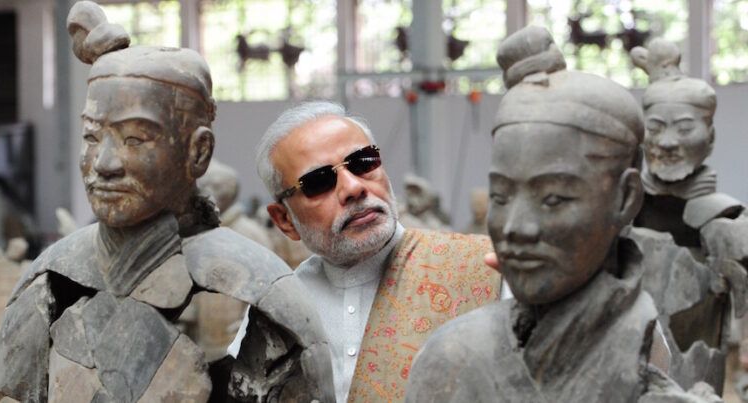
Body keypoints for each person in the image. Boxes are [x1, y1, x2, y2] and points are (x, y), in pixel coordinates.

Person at [0, 2, 334, 401]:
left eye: (135, 139)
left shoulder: (265, 289)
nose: (104, 163)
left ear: (198, 152)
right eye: (92, 136)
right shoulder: (49, 277)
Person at [405, 26, 716, 403]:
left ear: (626, 198)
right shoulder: (451, 359)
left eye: (552, 199)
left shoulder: (652, 357)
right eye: (501, 196)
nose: (516, 228)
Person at [247, 101, 502, 402]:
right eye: (319, 181)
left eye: (363, 162)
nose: (353, 187)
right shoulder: (278, 311)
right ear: (284, 220)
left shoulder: (483, 268)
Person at [629, 38, 748, 394]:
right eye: (655, 127)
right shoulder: (617, 215)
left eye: (684, 128)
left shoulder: (729, 223)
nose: (667, 142)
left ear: (709, 138)